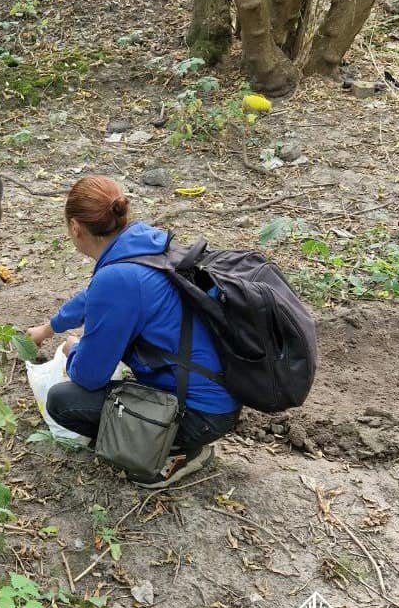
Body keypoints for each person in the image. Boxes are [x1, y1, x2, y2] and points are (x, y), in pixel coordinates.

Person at [27, 175, 241, 487]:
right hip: (222, 392)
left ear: (75, 228)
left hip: (200, 415)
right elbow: (91, 298)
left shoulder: (116, 280)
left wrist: (73, 350)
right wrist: (48, 329)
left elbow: (89, 377)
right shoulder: (145, 244)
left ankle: (177, 452)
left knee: (62, 402)